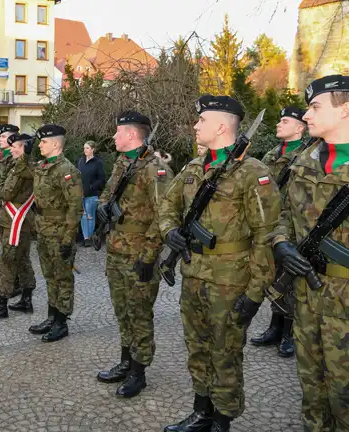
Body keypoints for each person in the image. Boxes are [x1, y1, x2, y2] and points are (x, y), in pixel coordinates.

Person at [159, 95, 281, 432]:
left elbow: (266, 236)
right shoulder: (192, 168)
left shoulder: (252, 172)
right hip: (193, 274)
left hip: (230, 280)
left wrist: (256, 293)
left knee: (225, 352)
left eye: (201, 121)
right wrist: (170, 231)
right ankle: (202, 411)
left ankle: (222, 420)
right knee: (197, 347)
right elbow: (167, 205)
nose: (196, 126)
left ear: (221, 126)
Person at [270, 75, 349, 431]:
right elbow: (284, 215)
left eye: (315, 107)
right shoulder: (304, 163)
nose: (307, 115)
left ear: (345, 109)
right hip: (307, 299)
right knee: (312, 393)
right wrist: (282, 243)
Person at [96, 111, 174, 398]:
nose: (113, 137)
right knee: (122, 311)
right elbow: (107, 193)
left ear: (131, 134)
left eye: (117, 132)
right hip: (116, 249)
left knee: (139, 313)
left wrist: (150, 255)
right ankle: (126, 361)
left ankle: (139, 372)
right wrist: (104, 206)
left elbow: (164, 214)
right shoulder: (123, 162)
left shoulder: (156, 167)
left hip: (140, 253)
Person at [250, 106, 308, 358]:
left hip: (292, 226)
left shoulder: (306, 155)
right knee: (273, 277)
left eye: (285, 121)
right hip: (270, 224)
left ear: (299, 127)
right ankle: (274, 326)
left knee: (289, 281)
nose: (278, 124)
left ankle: (289, 332)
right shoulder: (272, 154)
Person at [28, 124, 83, 342]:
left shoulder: (67, 170)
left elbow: (75, 207)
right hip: (44, 230)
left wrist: (69, 239)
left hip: (60, 233)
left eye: (43, 142)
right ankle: (52, 316)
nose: (39, 145)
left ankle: (62, 322)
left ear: (55, 144)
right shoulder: (43, 166)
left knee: (63, 278)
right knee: (50, 276)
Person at [0, 133, 37, 319]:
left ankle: (1, 304)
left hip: (15, 221)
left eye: (14, 146)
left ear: (24, 148)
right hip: (17, 219)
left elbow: (7, 192)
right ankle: (27, 299)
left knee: (8, 260)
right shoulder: (20, 165)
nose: (11, 149)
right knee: (21, 260)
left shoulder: (22, 167)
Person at [0, 124, 23, 298]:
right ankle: (10, 282)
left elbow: (8, 187)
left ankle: (13, 284)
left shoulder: (14, 158)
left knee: (11, 252)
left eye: (2, 137)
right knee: (6, 248)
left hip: (10, 210)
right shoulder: (1, 156)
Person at [77, 141, 105, 246]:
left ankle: (89, 237)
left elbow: (101, 179)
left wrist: (91, 187)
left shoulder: (98, 162)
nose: (85, 150)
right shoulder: (80, 161)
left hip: (92, 194)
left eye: (87, 148)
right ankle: (85, 238)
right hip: (81, 193)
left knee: (90, 215)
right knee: (83, 216)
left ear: (93, 149)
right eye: (84, 148)